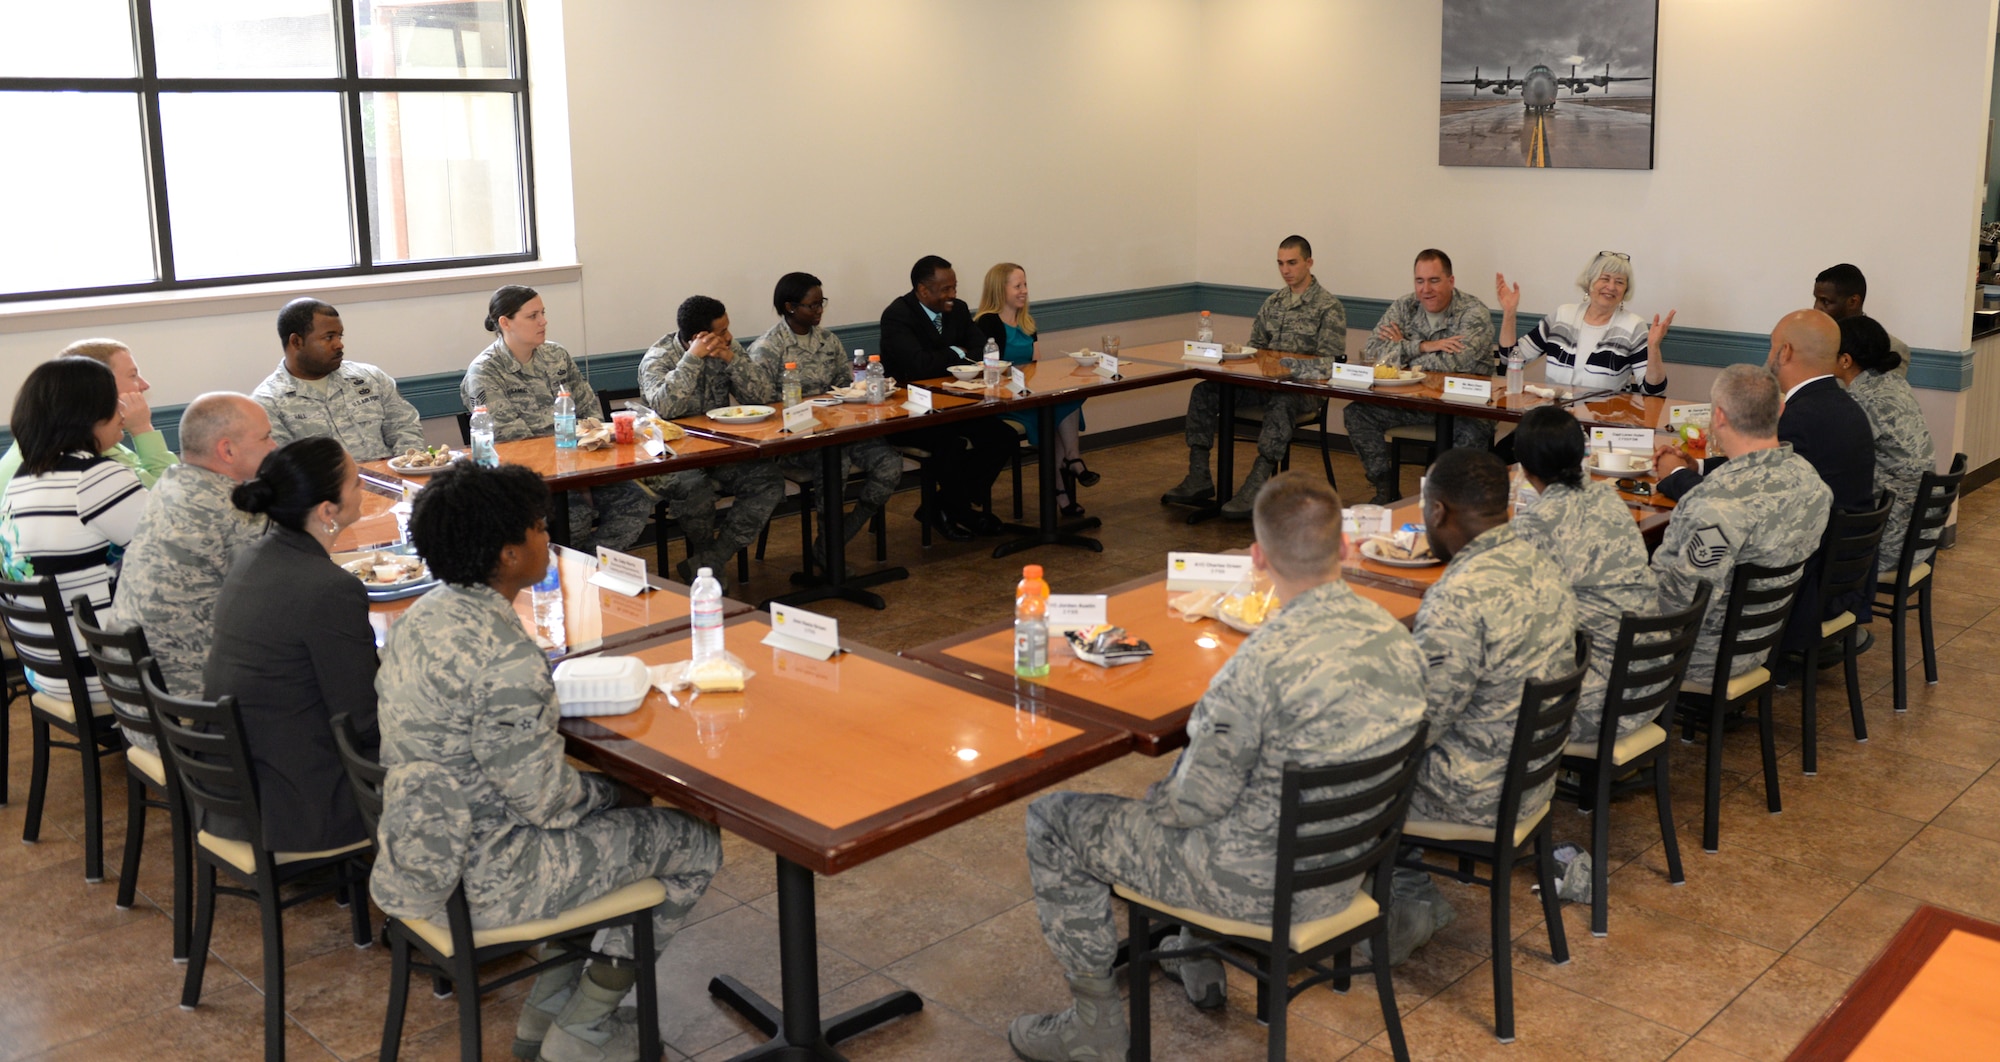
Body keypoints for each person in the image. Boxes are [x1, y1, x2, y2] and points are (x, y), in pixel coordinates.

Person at [1011, 472, 1427, 1061]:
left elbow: (1190, 806)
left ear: (1258, 558)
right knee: (1229, 788)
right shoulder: (1399, 639)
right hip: (1348, 869)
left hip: (1260, 887)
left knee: (1055, 820)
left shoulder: (1256, 667)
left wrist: (1151, 804)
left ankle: (1094, 1026)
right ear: (1341, 548)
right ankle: (1195, 949)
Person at [371, 462, 721, 1062]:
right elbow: (549, 803)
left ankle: (543, 1016)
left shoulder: (420, 619)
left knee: (605, 835)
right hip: (485, 873)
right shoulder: (505, 656)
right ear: (508, 555)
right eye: (539, 528)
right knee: (696, 842)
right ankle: (584, 1028)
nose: (548, 540)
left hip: (420, 849)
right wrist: (617, 792)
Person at [1396, 447, 1578, 963]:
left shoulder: (1459, 596)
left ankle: (1399, 903)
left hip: (1476, 790)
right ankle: (1407, 895)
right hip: (1532, 776)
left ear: (1436, 512)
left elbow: (1417, 727)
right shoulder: (1541, 562)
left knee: (1329, 763)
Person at [1658, 310, 1873, 657]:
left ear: (1784, 352)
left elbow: (1738, 501)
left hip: (1781, 608)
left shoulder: (1803, 415)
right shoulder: (1844, 407)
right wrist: (1697, 466)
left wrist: (1674, 477)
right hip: (1820, 578)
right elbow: (1761, 471)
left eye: (1771, 345)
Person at [201, 436, 379, 857]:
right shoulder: (330, 589)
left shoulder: (255, 556)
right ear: (327, 511)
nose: (364, 489)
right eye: (356, 482)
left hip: (236, 783)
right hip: (298, 803)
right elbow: (362, 721)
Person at [112, 393, 277, 749]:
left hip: (141, 708)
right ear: (227, 451)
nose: (275, 446)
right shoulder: (232, 509)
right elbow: (291, 598)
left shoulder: (171, 483)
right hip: (192, 724)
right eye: (265, 438)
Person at [1652, 365, 1831, 689]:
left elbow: (1679, 608)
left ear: (1718, 417)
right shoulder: (1811, 480)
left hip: (1702, 655)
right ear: (1779, 410)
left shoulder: (1716, 504)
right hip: (1762, 642)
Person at [1161, 235, 1347, 519]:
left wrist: (1289, 370)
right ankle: (1198, 477)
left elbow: (1331, 365)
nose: (1286, 270)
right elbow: (1256, 349)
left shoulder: (1328, 307)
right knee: (1205, 392)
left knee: (1282, 404)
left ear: (1309, 263)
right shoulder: (1273, 302)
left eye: (1292, 263)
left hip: (1304, 392)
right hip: (1265, 386)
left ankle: (1256, 485)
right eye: (1281, 263)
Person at [1, 356, 150, 701]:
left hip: (46, 669)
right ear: (86, 414)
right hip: (101, 673)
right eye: (112, 402)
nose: (122, 413)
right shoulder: (94, 477)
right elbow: (173, 547)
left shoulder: (23, 478)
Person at [1508, 407, 1660, 743]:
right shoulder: (1607, 497)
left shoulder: (1536, 524)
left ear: (1522, 465)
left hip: (1599, 703)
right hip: (1649, 681)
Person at [462, 285, 652, 552]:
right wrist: (574, 478)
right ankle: (561, 578)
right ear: (505, 322)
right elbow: (514, 442)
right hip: (527, 481)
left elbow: (591, 417)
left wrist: (584, 474)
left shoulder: (556, 355)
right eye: (532, 316)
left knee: (636, 502)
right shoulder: (485, 371)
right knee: (574, 517)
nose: (543, 321)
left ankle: (586, 572)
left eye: (543, 313)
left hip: (580, 468)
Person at [746, 272, 904, 563]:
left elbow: (846, 388)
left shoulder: (828, 341)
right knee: (836, 464)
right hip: (796, 440)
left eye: (822, 303)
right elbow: (763, 407)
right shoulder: (767, 348)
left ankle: (836, 539)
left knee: (890, 465)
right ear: (790, 306)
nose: (819, 310)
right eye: (812, 305)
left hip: (839, 431)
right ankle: (831, 557)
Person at [638, 296, 786, 586]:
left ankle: (710, 562)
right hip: (673, 459)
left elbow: (762, 396)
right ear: (699, 337)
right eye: (721, 332)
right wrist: (692, 359)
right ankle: (709, 572)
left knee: (768, 482)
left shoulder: (727, 348)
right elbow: (665, 408)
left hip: (720, 452)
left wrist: (732, 360)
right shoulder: (658, 359)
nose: (729, 337)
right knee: (697, 492)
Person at [877, 255, 1019, 539]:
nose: (952, 295)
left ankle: (941, 506)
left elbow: (982, 349)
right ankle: (956, 511)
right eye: (945, 289)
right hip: (912, 413)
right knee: (949, 446)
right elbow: (917, 365)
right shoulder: (898, 315)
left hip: (957, 405)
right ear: (922, 290)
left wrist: (949, 355)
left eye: (954, 287)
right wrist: (956, 351)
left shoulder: (959, 309)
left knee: (1003, 438)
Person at [1346, 249, 1497, 504]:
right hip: (1414, 402)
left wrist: (1401, 348)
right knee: (1357, 414)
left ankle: (1454, 504)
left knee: (1472, 433)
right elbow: (1371, 353)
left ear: (1451, 281)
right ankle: (1386, 491)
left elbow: (1456, 363)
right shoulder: (1404, 306)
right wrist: (1422, 346)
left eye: (1434, 281)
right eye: (1419, 281)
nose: (1426, 289)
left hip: (1464, 408)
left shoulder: (1473, 313)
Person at [975, 262, 1093, 517]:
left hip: (1030, 394)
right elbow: (988, 371)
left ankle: (1070, 463)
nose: (1024, 291)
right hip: (1006, 400)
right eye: (1017, 286)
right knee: (1056, 412)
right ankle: (1068, 472)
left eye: (1025, 285)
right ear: (1000, 289)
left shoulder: (1026, 321)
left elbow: (1037, 364)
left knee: (1069, 397)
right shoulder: (987, 323)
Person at [0, 338, 176, 507]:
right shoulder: (72, 453)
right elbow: (170, 501)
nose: (145, 385)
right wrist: (142, 429)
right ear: (98, 385)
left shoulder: (61, 435)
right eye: (133, 375)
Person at [251, 297, 426, 462]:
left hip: (392, 485)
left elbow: (406, 429)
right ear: (296, 342)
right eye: (328, 337)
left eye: (339, 336)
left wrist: (403, 473)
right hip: (324, 493)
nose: (339, 344)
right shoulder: (267, 403)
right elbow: (282, 469)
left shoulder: (370, 378)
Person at [1835, 315, 1936, 572]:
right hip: (1921, 533)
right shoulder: (1895, 383)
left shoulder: (1864, 400)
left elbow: (1838, 462)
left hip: (1890, 541)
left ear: (1845, 360)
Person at [1495, 252, 1674, 395]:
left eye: (1619, 282)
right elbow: (1510, 358)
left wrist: (1653, 348)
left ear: (1625, 291)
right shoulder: (1563, 316)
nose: (1611, 287)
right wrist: (1509, 313)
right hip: (1554, 420)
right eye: (1605, 279)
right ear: (1589, 283)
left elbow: (1653, 390)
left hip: (1603, 425)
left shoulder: (1634, 326)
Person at [1813, 263, 1910, 377]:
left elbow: (1887, 393)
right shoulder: (1812, 340)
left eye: (1825, 301)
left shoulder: (1892, 347)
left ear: (1853, 302)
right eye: (1816, 299)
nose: (1816, 307)